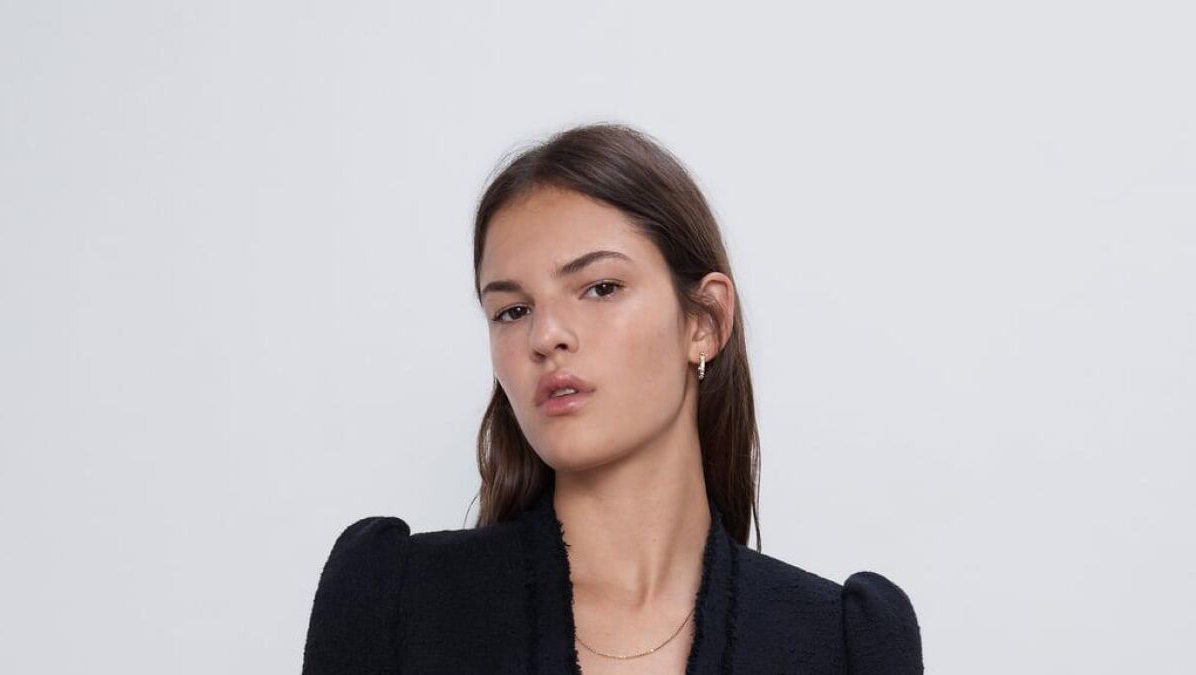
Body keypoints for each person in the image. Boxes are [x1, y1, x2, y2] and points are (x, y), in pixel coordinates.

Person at [300, 122, 924, 674]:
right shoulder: (395, 602)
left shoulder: (845, 644)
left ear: (704, 321)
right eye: (512, 310)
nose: (546, 336)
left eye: (600, 288)